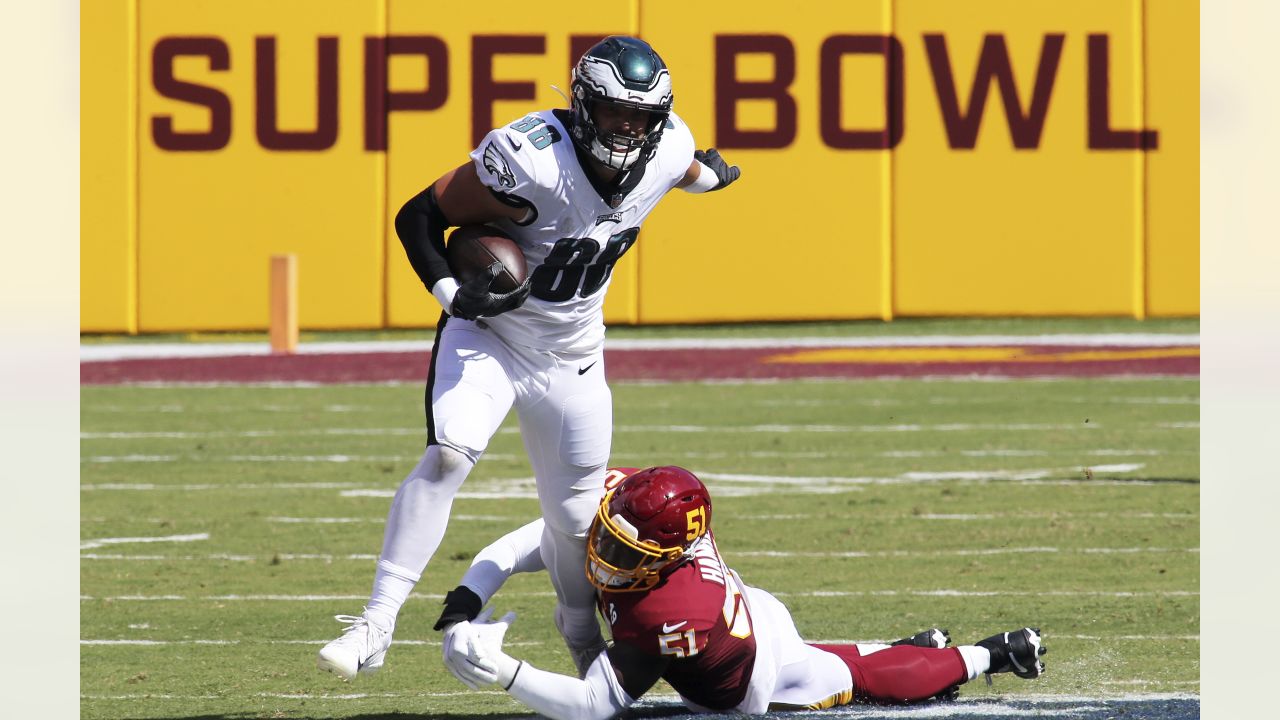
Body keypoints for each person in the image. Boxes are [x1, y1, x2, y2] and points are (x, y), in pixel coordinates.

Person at [316, 37, 742, 681]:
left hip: (574, 351)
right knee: (448, 456)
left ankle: (579, 638)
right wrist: (452, 293)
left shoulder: (669, 145)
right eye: (614, 113)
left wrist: (711, 177)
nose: (628, 129)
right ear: (582, 105)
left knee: (574, 518)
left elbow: (686, 168)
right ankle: (376, 623)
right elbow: (420, 214)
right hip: (494, 336)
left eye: (640, 117)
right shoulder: (531, 159)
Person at [437, 466, 1048, 718]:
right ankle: (906, 646)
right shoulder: (627, 500)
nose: (607, 555)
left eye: (630, 554)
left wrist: (505, 672)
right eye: (610, 535)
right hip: (750, 613)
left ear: (669, 555)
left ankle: (988, 654)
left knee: (850, 682)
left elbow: (597, 704)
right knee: (832, 661)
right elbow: (530, 541)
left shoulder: (669, 612)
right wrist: (466, 599)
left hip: (751, 678)